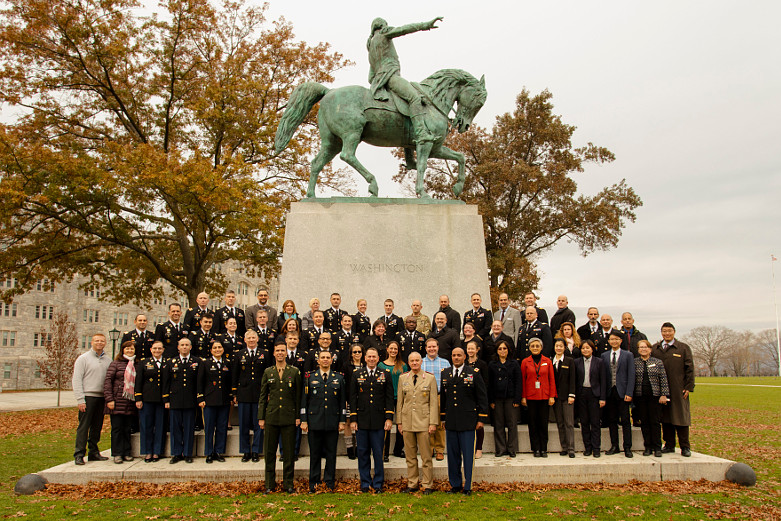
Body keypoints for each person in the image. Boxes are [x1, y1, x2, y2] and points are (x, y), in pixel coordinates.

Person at [366, 16, 442, 144]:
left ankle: (409, 155)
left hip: (380, 83)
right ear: (382, 25)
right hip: (391, 78)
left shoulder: (371, 45)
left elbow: (370, 77)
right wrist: (425, 25)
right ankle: (421, 133)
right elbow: (404, 29)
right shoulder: (384, 33)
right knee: (415, 98)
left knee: (411, 99)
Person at [440, 347, 488, 495]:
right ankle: (455, 484)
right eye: (454, 355)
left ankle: (468, 486)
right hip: (452, 421)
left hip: (468, 421)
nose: (456, 358)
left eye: (459, 355)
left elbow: (482, 397)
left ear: (464, 357)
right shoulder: (446, 373)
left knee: (468, 456)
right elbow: (443, 397)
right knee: (453, 456)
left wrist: (481, 418)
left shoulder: (473, 373)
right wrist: (443, 417)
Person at [350, 346, 395, 493]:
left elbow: (389, 398)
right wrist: (353, 419)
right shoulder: (357, 373)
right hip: (361, 420)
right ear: (365, 358)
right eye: (369, 357)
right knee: (362, 452)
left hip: (379, 421)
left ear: (378, 358)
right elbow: (353, 398)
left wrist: (389, 418)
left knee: (377, 453)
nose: (371, 359)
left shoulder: (385, 374)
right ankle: (365, 482)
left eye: (374, 357)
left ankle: (378, 483)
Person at [259, 343, 302, 494]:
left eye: (282, 350)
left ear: (286, 353)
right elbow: (263, 396)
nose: (280, 353)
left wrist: (298, 417)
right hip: (271, 417)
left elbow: (298, 397)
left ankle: (288, 484)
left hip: (289, 417)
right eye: (277, 350)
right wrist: (261, 418)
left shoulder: (295, 372)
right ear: (274, 353)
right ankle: (269, 484)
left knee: (289, 454)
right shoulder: (268, 372)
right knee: (269, 453)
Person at [301, 350, 346, 492]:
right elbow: (304, 401)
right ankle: (313, 482)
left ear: (332, 360)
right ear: (318, 360)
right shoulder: (310, 377)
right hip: (315, 422)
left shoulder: (338, 378)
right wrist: (304, 420)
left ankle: (329, 482)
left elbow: (342, 401)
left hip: (332, 422)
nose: (325, 360)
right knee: (314, 454)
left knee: (331, 455)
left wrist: (342, 420)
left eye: (328, 357)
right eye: (323, 358)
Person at [397, 352, 439, 495]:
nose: (414, 363)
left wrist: (433, 423)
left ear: (421, 362)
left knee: (426, 456)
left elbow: (433, 403)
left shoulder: (429, 378)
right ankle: (412, 483)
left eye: (417, 360)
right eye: (412, 361)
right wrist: (399, 422)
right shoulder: (403, 378)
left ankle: (427, 484)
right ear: (408, 363)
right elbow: (400, 403)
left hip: (424, 422)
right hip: (407, 421)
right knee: (410, 456)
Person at [652, 322, 695, 457]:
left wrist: (688, 387)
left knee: (680, 417)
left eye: (669, 331)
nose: (667, 334)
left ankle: (685, 446)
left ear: (674, 332)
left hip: (678, 388)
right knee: (665, 418)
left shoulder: (682, 348)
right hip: (660, 389)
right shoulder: (656, 348)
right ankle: (669, 444)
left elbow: (690, 368)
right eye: (664, 331)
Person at [73, 333, 111, 465]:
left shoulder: (108, 360)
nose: (99, 343)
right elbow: (77, 379)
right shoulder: (83, 359)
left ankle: (93, 452)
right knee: (84, 427)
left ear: (105, 343)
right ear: (91, 342)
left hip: (101, 398)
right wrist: (80, 399)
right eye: (97, 341)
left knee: (97, 426)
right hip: (88, 397)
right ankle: (79, 454)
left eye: (102, 341)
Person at [232, 329, 269, 463]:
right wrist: (234, 393)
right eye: (249, 338)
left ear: (257, 339)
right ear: (245, 340)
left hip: (260, 394)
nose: (252, 340)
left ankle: (256, 451)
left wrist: (268, 392)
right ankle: (245, 451)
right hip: (244, 394)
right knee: (244, 424)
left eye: (254, 338)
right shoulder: (239, 354)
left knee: (259, 424)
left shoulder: (264, 354)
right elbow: (235, 374)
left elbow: (268, 374)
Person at [163, 338, 200, 463]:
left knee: (189, 428)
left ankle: (188, 453)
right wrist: (166, 399)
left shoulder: (196, 362)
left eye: (187, 345)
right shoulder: (171, 362)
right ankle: (176, 453)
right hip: (175, 400)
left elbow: (199, 382)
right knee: (175, 428)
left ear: (190, 347)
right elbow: (166, 383)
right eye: (182, 345)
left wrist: (199, 398)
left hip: (190, 400)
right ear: (178, 347)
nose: (184, 347)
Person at [601, 330, 635, 458]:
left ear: (620, 341)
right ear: (608, 341)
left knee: (625, 420)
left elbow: (631, 375)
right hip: (610, 392)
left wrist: (629, 392)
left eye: (616, 339)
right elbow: (603, 376)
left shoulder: (628, 355)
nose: (614, 341)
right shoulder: (604, 355)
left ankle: (627, 447)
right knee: (612, 420)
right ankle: (614, 445)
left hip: (623, 392)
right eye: (611, 339)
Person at [521, 338, 557, 457]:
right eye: (533, 346)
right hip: (531, 397)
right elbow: (523, 380)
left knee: (543, 423)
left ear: (541, 348)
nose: (535, 348)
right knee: (533, 424)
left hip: (544, 396)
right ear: (529, 348)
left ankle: (543, 448)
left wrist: (552, 395)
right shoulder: (525, 362)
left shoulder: (547, 361)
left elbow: (551, 379)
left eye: (537, 346)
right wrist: (523, 397)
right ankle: (535, 448)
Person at [634, 339, 670, 457]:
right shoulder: (635, 362)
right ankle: (647, 446)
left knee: (655, 422)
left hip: (655, 396)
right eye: (641, 347)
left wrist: (664, 394)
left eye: (645, 347)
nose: (643, 349)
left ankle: (657, 447)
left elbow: (663, 379)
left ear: (650, 349)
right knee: (644, 422)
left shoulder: (657, 362)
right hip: (640, 396)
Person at [197, 341, 232, 463]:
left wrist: (231, 396)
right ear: (211, 350)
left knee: (222, 427)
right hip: (209, 400)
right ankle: (209, 453)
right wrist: (200, 398)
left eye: (220, 347)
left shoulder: (227, 363)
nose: (217, 349)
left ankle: (218, 451)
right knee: (209, 428)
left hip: (224, 400)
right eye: (215, 348)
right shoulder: (205, 363)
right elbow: (200, 381)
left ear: (223, 349)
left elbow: (229, 382)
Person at [104, 340, 138, 464]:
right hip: (117, 400)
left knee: (127, 428)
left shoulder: (136, 364)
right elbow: (108, 381)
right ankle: (117, 453)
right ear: (122, 350)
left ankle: (127, 452)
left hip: (130, 401)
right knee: (117, 428)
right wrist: (109, 399)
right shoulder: (116, 364)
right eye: (127, 348)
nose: (130, 351)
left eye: (132, 349)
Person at [487, 340, 521, 457]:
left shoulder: (514, 363)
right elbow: (489, 384)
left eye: (504, 348)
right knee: (498, 424)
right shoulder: (492, 364)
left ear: (508, 350)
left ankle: (512, 448)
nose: (502, 351)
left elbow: (518, 382)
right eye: (500, 349)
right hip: (497, 398)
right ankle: (501, 448)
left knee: (512, 424)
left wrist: (517, 399)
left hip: (510, 397)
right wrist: (491, 400)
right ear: (496, 351)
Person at [574, 340, 607, 457]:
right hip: (582, 394)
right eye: (583, 348)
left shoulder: (599, 362)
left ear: (592, 349)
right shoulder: (576, 362)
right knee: (584, 422)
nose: (585, 350)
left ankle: (596, 448)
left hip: (595, 394)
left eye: (588, 348)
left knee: (595, 422)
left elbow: (603, 381)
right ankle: (587, 447)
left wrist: (603, 398)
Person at [134, 340, 166, 463]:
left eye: (159, 348)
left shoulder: (167, 363)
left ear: (163, 350)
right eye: (155, 348)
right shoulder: (144, 363)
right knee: (146, 425)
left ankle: (157, 451)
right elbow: (139, 382)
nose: (157, 351)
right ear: (151, 350)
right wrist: (138, 398)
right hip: (147, 399)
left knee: (160, 426)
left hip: (161, 400)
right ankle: (147, 451)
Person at [421, 337, 450, 460]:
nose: (431, 349)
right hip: (425, 396)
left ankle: (439, 449)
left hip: (440, 396)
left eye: (434, 346)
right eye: (429, 347)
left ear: (438, 348)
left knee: (440, 424)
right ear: (426, 348)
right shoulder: (421, 362)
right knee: (427, 423)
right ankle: (430, 448)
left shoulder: (445, 363)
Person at [379, 341, 408, 460]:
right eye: (391, 348)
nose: (393, 351)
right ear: (387, 349)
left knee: (401, 424)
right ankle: (385, 452)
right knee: (387, 424)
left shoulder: (403, 365)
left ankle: (398, 449)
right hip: (387, 398)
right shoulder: (381, 365)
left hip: (401, 398)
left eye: (395, 349)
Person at [551, 339, 576, 458]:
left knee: (569, 423)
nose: (559, 348)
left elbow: (572, 379)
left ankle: (571, 448)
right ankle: (564, 447)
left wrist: (572, 394)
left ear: (565, 348)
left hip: (567, 397)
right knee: (560, 423)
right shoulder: (551, 361)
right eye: (557, 346)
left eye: (561, 346)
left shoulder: (569, 361)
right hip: (555, 397)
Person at [464, 340, 488, 458]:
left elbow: (486, 383)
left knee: (479, 425)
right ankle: (469, 447)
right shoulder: (463, 363)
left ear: (477, 350)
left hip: (477, 399)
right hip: (466, 398)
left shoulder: (482, 364)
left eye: (472, 348)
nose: (470, 351)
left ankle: (479, 448)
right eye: (468, 349)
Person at [342, 342, 365, 460]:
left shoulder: (365, 365)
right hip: (349, 398)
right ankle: (349, 448)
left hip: (362, 399)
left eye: (359, 352)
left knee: (359, 422)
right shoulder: (346, 366)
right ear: (351, 354)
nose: (357, 354)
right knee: (347, 422)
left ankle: (359, 447)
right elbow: (344, 384)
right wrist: (345, 399)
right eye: (354, 352)